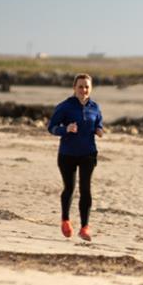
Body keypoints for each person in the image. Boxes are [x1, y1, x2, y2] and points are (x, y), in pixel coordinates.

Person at [48, 73, 105, 241]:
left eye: (87, 87)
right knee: (70, 188)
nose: (83, 90)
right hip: (67, 154)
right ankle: (65, 220)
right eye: (80, 86)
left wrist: (99, 130)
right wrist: (65, 129)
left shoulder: (95, 107)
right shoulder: (65, 107)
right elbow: (51, 127)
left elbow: (98, 123)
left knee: (86, 189)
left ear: (91, 88)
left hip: (88, 153)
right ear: (74, 88)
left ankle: (85, 227)